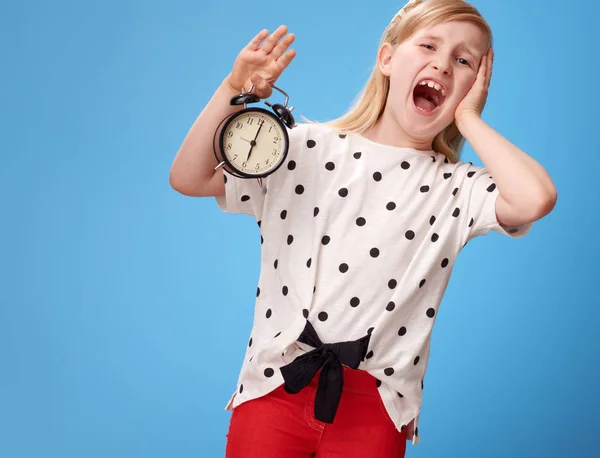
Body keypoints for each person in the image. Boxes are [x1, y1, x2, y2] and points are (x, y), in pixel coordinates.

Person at [170, 0, 557, 456]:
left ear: (475, 86)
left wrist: (469, 119)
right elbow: (190, 177)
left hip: (377, 406)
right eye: (429, 45)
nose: (443, 64)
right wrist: (232, 88)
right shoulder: (303, 149)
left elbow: (536, 198)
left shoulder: (458, 188)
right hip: (275, 387)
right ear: (387, 58)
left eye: (464, 60)